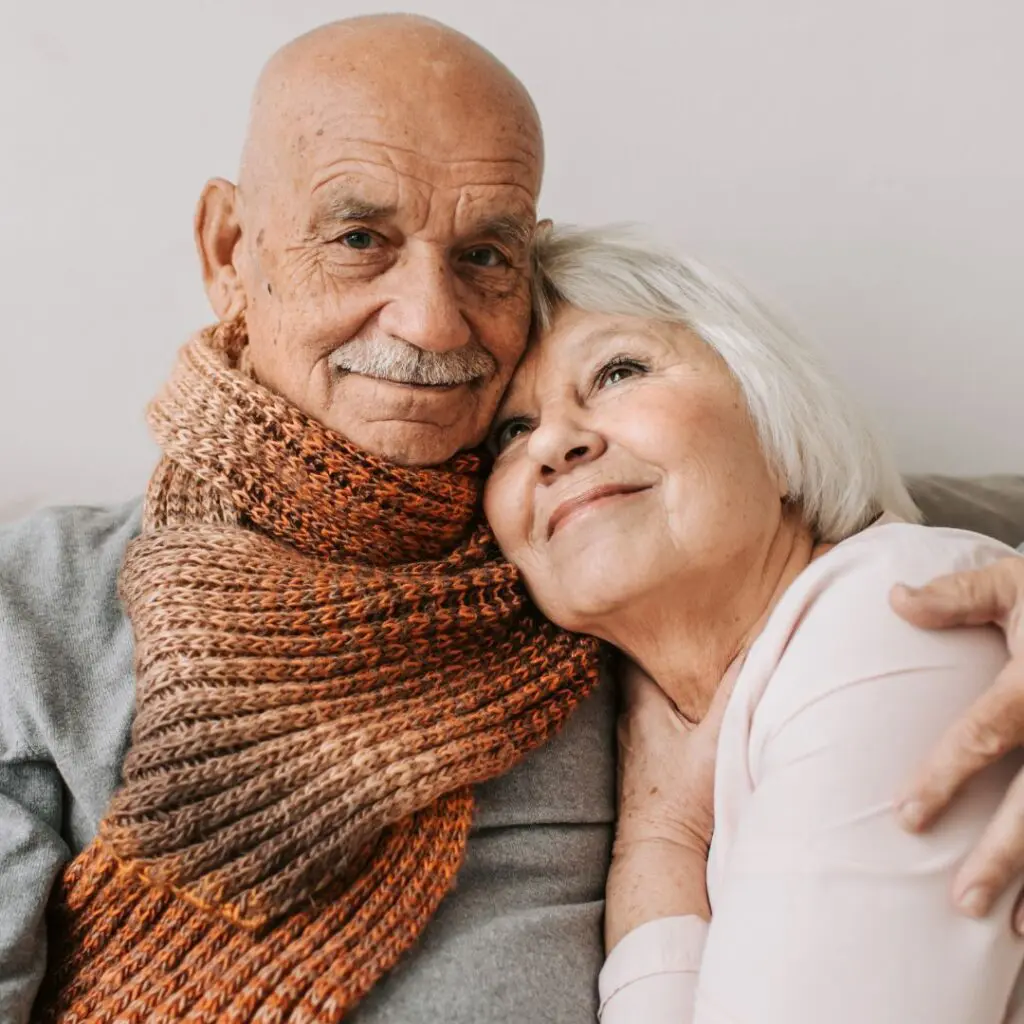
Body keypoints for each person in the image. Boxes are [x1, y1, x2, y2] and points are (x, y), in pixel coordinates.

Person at [0, 13, 1022, 1024]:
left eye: (485, 253)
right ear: (231, 249)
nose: (432, 320)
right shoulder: (41, 601)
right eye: (360, 238)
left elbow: (871, 555)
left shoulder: (601, 554)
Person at [482, 224, 1024, 1022]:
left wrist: (657, 847)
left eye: (618, 370)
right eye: (511, 431)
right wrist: (663, 832)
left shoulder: (901, 611)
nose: (556, 442)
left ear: (777, 414)